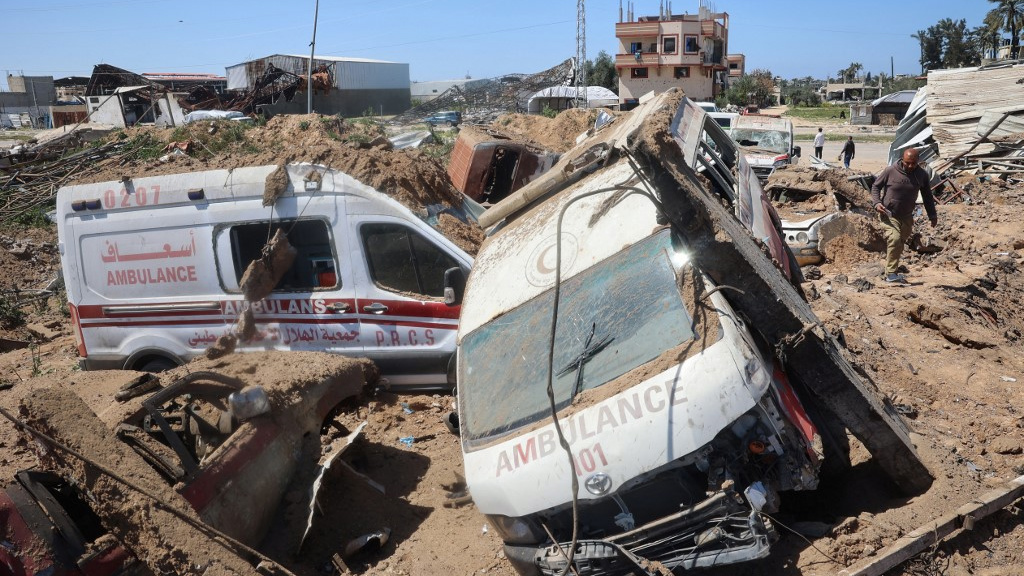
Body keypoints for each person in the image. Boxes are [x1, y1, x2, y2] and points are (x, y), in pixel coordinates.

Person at [870, 148, 938, 283]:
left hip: (907, 216)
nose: (910, 166)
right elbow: (876, 187)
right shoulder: (890, 171)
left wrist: (932, 215)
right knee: (894, 239)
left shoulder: (922, 175)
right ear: (902, 159)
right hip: (889, 214)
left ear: (918, 161)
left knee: (900, 243)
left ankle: (892, 268)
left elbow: (927, 196)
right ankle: (890, 274)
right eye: (907, 163)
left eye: (914, 163)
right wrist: (877, 203)